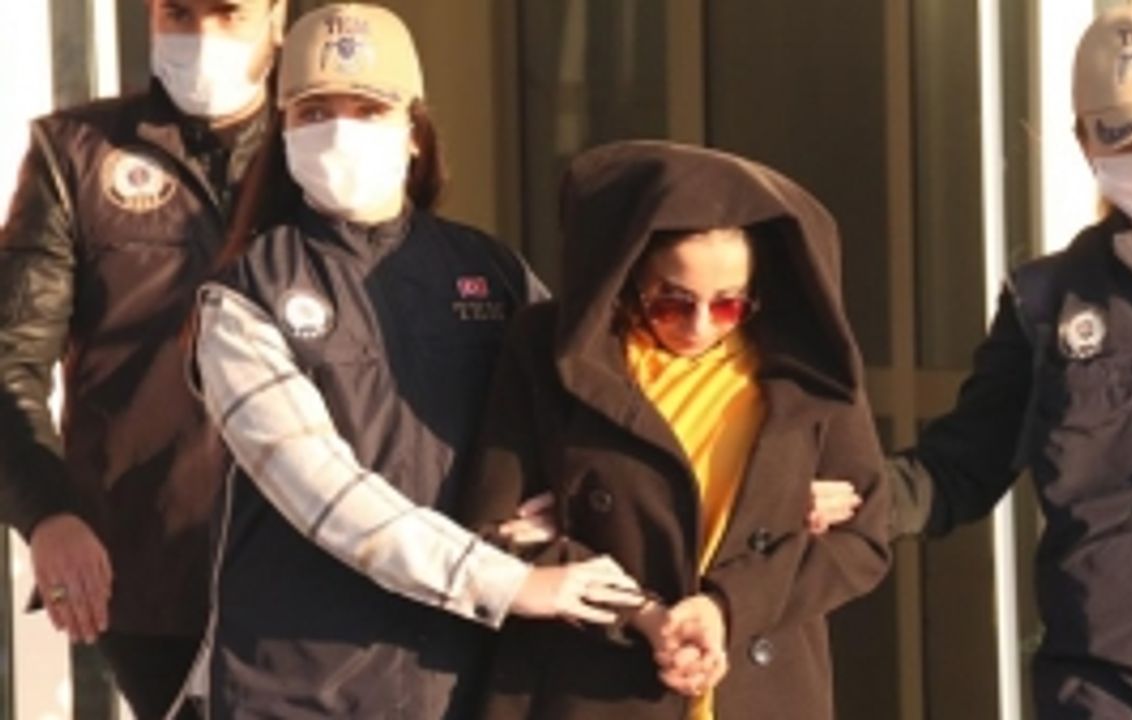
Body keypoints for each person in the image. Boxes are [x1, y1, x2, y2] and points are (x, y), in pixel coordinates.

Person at [192, 5, 643, 718]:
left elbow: (592, 409)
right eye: (314, 112)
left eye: (368, 109)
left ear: (413, 132)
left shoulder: (493, 273)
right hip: (300, 685)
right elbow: (321, 489)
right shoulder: (246, 293)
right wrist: (508, 584)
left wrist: (567, 498)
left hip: (465, 677)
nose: (339, 131)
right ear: (283, 132)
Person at [890, 3, 1132, 718]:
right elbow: (959, 468)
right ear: (1084, 140)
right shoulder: (1045, 302)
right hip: (1108, 696)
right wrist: (855, 494)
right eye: (1126, 135)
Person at [459, 140, 891, 719]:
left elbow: (863, 540)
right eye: (672, 302)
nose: (700, 326)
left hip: (762, 692)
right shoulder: (550, 351)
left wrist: (727, 607)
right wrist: (638, 613)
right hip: (592, 691)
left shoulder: (806, 365)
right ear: (629, 276)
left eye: (729, 305)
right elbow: (491, 533)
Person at [0, 0, 286, 716]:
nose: (201, 37)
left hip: (312, 562)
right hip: (150, 575)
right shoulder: (75, 151)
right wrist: (48, 513)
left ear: (277, 18)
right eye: (178, 13)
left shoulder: (315, 147)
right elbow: (9, 361)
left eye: (227, 14)